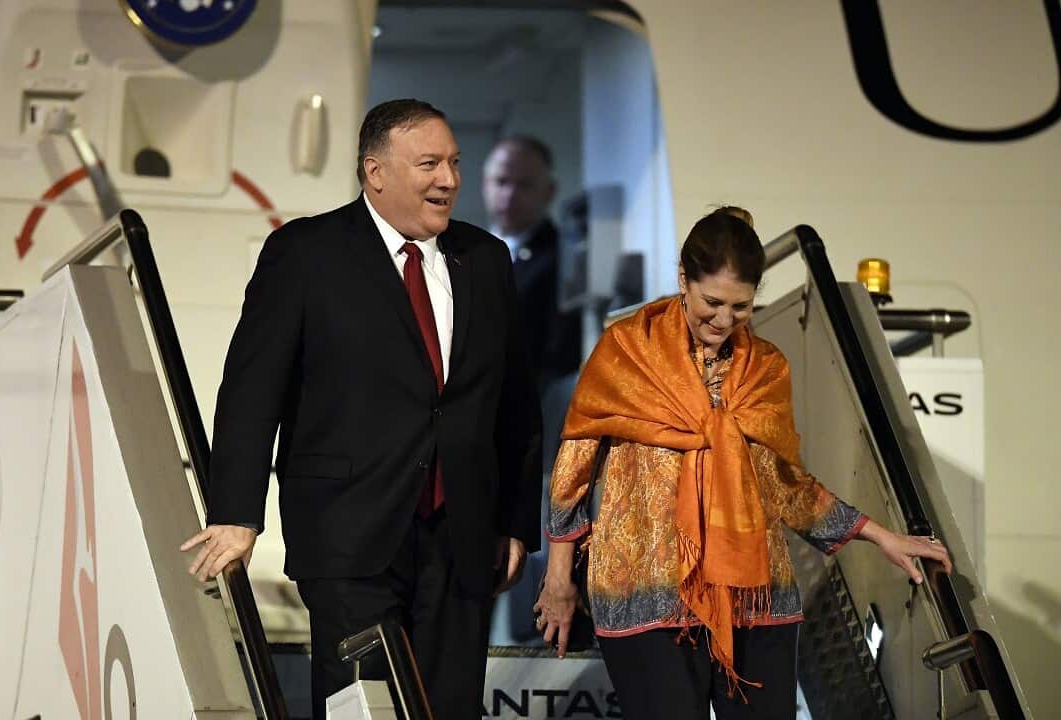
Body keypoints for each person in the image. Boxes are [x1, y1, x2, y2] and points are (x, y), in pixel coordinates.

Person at [180, 99, 543, 718]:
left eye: (454, 163)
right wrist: (237, 513)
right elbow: (251, 390)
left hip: (461, 536)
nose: (449, 179)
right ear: (375, 171)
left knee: (449, 707)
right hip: (349, 534)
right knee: (363, 709)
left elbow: (512, 401)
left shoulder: (485, 258)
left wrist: (512, 519)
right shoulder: (305, 253)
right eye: (429, 163)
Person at [533, 207, 951, 718]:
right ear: (683, 279)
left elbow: (783, 486)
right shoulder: (626, 352)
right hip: (644, 591)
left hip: (755, 595)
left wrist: (880, 535)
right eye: (711, 303)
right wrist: (559, 581)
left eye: (742, 307)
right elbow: (571, 473)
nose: (724, 321)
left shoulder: (766, 367)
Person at [482, 136, 582, 387]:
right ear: (485, 185)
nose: (509, 195)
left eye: (524, 185)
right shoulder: (458, 254)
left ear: (549, 192)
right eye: (501, 182)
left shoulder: (564, 259)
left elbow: (560, 355)